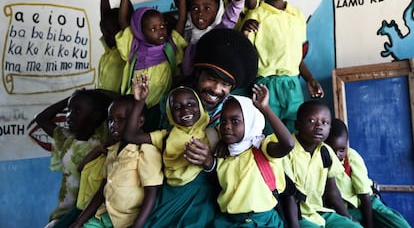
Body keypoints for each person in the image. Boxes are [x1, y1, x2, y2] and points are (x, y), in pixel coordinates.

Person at [241, 0, 324, 134]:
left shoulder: (297, 15)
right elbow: (245, 54)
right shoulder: (256, 14)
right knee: (269, 135)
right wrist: (244, 31)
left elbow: (297, 56)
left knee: (296, 133)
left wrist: (309, 79)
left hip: (293, 85)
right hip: (265, 86)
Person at [70, 76, 163, 228]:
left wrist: (137, 226)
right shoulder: (112, 150)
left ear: (139, 121)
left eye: (121, 119)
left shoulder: (146, 151)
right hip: (104, 216)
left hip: (126, 222)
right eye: (111, 120)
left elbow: (151, 193)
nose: (114, 125)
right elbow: (103, 190)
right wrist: (79, 221)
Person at [199, 84, 294, 227]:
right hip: (228, 222)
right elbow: (219, 184)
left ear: (250, 123)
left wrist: (265, 109)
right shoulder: (224, 154)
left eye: (235, 121)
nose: (227, 126)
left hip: (263, 221)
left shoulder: (262, 148)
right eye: (223, 121)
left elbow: (288, 144)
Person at [126, 84, 218, 227]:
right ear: (169, 113)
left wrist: (207, 161)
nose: (185, 109)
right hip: (170, 196)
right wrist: (139, 102)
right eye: (177, 107)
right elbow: (130, 135)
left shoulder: (213, 135)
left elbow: (221, 178)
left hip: (199, 200)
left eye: (190, 104)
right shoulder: (165, 137)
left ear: (199, 106)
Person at [115, 0, 190, 131]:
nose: (161, 31)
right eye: (153, 29)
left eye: (162, 26)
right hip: (133, 106)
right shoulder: (133, 48)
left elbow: (182, 18)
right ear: (140, 31)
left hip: (159, 109)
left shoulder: (170, 48)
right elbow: (123, 22)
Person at [34, 89, 113, 228]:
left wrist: (100, 92)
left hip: (88, 210)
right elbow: (41, 118)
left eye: (77, 111)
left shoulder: (102, 139)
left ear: (95, 116)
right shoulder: (66, 138)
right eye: (69, 110)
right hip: (64, 210)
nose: (69, 115)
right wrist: (71, 98)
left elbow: (119, 105)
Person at [282, 100, 363, 228]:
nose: (319, 126)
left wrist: (348, 218)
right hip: (297, 215)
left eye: (325, 123)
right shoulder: (287, 150)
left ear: (329, 129)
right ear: (297, 124)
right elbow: (288, 194)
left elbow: (332, 192)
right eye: (312, 121)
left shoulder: (326, 151)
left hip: (319, 212)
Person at [325, 118, 411, 228]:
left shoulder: (351, 157)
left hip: (368, 202)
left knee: (400, 224)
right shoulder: (322, 160)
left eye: (342, 150)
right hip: (343, 209)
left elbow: (364, 195)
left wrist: (369, 224)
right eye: (332, 150)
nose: (337, 155)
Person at [92, 0, 132, 93]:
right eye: (104, 32)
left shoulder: (125, 51)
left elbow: (127, 18)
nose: (106, 36)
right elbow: (105, 16)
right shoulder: (109, 49)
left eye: (110, 32)